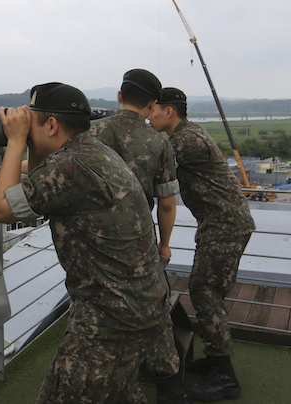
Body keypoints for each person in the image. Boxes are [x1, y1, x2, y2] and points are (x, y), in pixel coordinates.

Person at [0, 82, 171, 403]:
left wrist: (16, 140)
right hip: (138, 306)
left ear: (51, 125)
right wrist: (32, 144)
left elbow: (2, 209)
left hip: (111, 319)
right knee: (120, 391)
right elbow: (41, 180)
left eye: (32, 123)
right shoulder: (91, 151)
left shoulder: (72, 167)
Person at [88, 69, 188, 404]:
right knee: (155, 310)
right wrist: (164, 244)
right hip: (141, 242)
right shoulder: (158, 142)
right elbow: (168, 203)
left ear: (119, 96)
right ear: (153, 103)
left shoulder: (92, 132)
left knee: (97, 311)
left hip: (96, 242)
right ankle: (168, 387)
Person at [149, 87, 254, 401]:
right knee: (207, 290)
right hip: (222, 223)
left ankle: (225, 377)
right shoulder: (188, 133)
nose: (149, 116)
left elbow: (149, 165)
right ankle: (214, 358)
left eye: (153, 110)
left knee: (204, 291)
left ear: (169, 112)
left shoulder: (185, 141)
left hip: (225, 225)